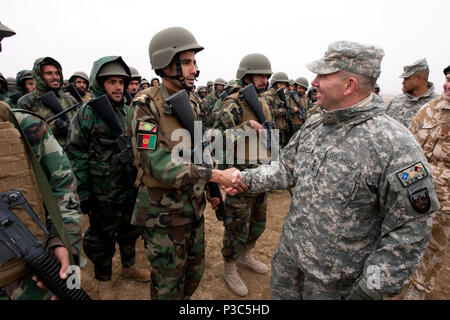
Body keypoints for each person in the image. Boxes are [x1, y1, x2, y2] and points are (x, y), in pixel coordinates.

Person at [220, 41, 440, 300]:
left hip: (336, 286)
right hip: (288, 270)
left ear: (349, 85)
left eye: (323, 76)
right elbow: (285, 168)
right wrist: (243, 178)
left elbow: (411, 229)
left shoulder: (395, 145)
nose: (314, 82)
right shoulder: (315, 125)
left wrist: (370, 288)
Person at [127, 26, 218, 300]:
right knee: (168, 287)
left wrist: (212, 191)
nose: (194, 69)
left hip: (194, 209)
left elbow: (203, 148)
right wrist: (212, 175)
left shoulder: (193, 102)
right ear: (165, 64)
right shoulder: (144, 106)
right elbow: (156, 163)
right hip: (163, 216)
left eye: (194, 62)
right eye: (187, 62)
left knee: (193, 277)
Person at [66, 56, 149, 300]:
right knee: (102, 237)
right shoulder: (87, 113)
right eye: (112, 82)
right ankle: (104, 280)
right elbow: (76, 154)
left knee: (130, 228)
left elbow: (143, 143)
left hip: (128, 185)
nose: (118, 87)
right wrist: (84, 192)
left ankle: (128, 265)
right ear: (100, 84)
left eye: (122, 82)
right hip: (102, 189)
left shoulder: (128, 110)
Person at [212, 53, 273, 297]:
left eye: (267, 76)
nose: (265, 80)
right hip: (239, 176)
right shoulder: (234, 104)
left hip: (261, 173)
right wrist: (248, 128)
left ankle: (246, 255)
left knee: (258, 222)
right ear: (247, 75)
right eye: (261, 75)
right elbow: (214, 140)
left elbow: (270, 138)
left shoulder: (263, 102)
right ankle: (230, 265)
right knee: (237, 224)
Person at [403, 65, 450, 300]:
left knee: (436, 245)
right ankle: (403, 274)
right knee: (408, 233)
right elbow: (408, 150)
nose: (448, 84)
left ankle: (420, 287)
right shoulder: (428, 110)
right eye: (448, 79)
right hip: (416, 186)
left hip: (447, 200)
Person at [16, 57, 78, 148]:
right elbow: (23, 135)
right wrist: (54, 126)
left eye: (57, 73)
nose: (55, 77)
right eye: (49, 73)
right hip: (47, 154)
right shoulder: (27, 102)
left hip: (73, 152)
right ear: (39, 76)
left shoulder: (69, 99)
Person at [386, 58, 439, 128]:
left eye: (407, 78)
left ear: (419, 78)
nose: (403, 82)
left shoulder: (437, 104)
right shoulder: (397, 100)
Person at [263, 71, 290, 148]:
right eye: (281, 84)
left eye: (285, 84)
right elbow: (267, 112)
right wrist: (282, 111)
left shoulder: (283, 96)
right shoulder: (268, 95)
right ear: (275, 84)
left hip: (282, 129)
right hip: (272, 129)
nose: (283, 86)